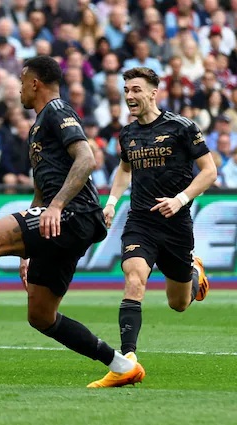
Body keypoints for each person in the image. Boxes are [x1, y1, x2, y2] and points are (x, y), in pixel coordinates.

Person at [0, 56, 145, 387]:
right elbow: (43, 191)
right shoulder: (40, 123)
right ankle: (121, 365)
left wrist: (57, 207)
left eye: (21, 81)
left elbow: (86, 159)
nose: (18, 89)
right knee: (41, 316)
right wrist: (27, 250)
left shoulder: (58, 111)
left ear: (34, 83)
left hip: (75, 215)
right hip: (66, 221)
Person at [91, 67, 216, 387]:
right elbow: (123, 169)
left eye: (136, 89)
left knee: (179, 304)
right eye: (126, 90)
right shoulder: (127, 133)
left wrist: (181, 199)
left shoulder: (182, 128)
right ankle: (127, 360)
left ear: (152, 93)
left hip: (176, 224)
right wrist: (111, 202)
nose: (129, 95)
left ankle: (192, 272)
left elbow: (209, 171)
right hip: (141, 222)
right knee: (134, 280)